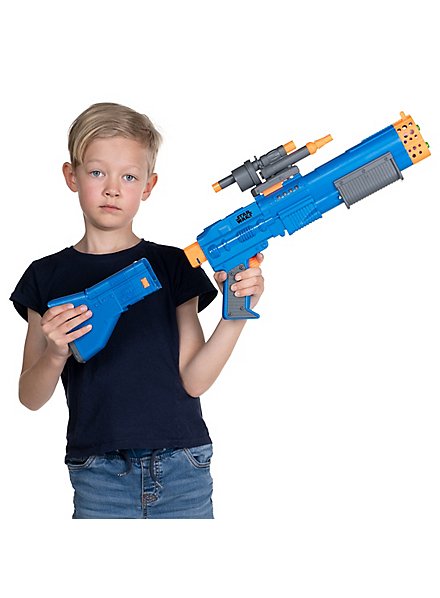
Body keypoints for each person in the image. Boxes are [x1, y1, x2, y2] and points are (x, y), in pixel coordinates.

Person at [10, 102, 264, 519]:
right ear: (71, 176)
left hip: (183, 465)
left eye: (129, 176)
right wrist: (55, 353)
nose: (113, 189)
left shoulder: (174, 265)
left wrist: (236, 314)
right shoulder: (44, 276)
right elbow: (30, 397)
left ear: (149, 185)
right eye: (97, 172)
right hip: (98, 473)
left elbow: (194, 381)